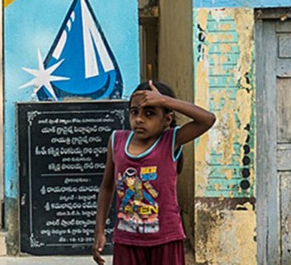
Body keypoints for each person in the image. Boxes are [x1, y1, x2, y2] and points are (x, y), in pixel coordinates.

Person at [92, 81, 216, 265]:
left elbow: (208, 119)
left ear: (166, 119)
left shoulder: (170, 140)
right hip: (127, 240)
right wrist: (99, 230)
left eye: (149, 113)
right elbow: (107, 187)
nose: (139, 119)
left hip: (165, 239)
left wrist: (165, 101)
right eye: (134, 112)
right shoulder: (116, 140)